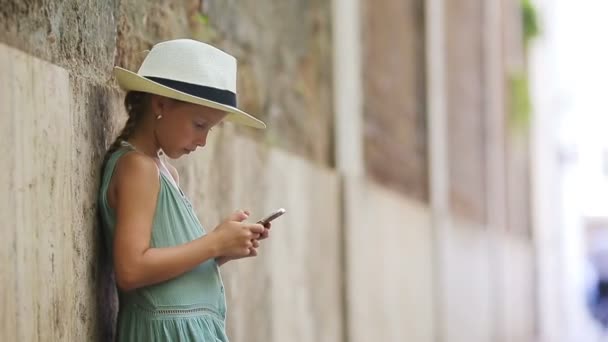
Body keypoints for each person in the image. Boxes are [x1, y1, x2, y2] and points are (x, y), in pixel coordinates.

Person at [97, 39, 271, 341]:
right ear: (160, 104)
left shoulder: (165, 172)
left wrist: (223, 247)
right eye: (199, 124)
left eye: (210, 129)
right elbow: (131, 269)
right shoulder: (137, 168)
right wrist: (214, 244)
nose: (203, 141)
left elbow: (164, 270)